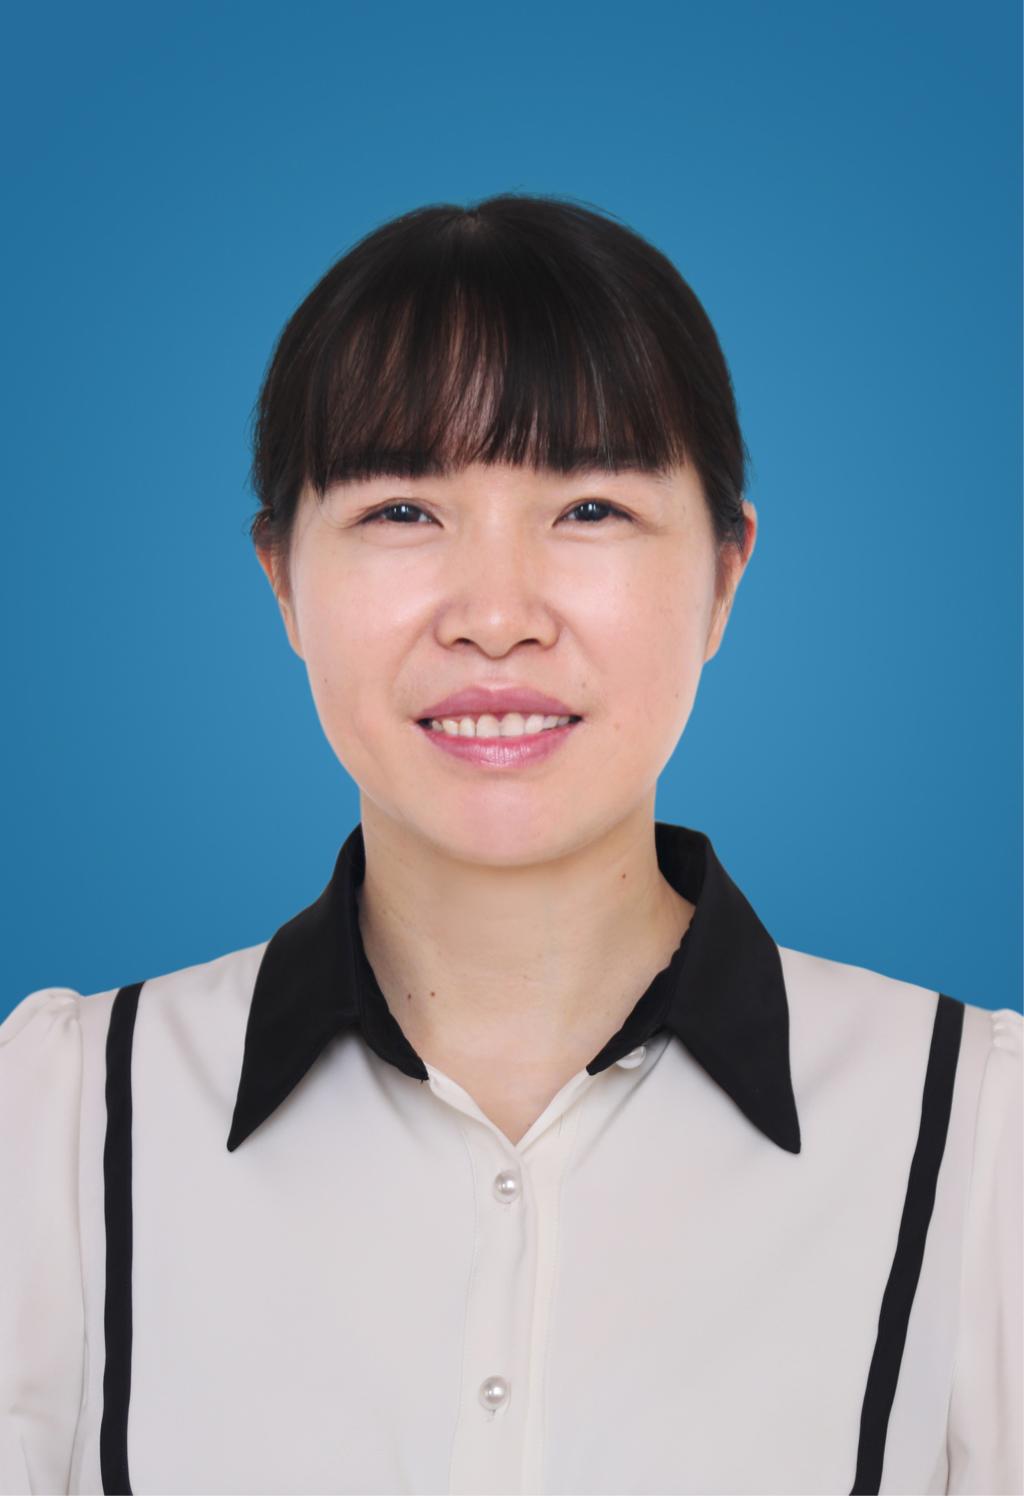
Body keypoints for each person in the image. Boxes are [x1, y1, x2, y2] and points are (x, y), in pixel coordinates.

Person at [1, 193, 1019, 1496]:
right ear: (281, 580)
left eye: (589, 508)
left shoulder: (977, 1132)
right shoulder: (62, 1122)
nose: (495, 616)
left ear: (726, 574)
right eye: (401, 512)